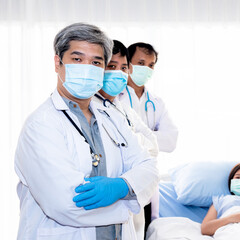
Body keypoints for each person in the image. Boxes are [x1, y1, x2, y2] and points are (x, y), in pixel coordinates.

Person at [14, 23, 159, 240]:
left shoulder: (113, 117)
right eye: (77, 59)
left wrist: (123, 186)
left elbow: (149, 170)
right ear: (58, 62)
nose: (87, 67)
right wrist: (130, 200)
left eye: (96, 62)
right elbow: (64, 204)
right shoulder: (41, 125)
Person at [94, 39, 159, 157]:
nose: (119, 73)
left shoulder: (125, 109)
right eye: (112, 66)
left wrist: (132, 140)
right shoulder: (88, 107)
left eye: (123, 68)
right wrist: (137, 140)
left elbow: (154, 148)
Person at [118, 42, 178, 153]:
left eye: (151, 65)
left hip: (149, 164)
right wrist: (151, 137)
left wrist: (134, 136)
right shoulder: (115, 97)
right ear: (128, 64)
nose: (146, 69)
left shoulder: (157, 102)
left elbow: (170, 141)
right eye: (141, 63)